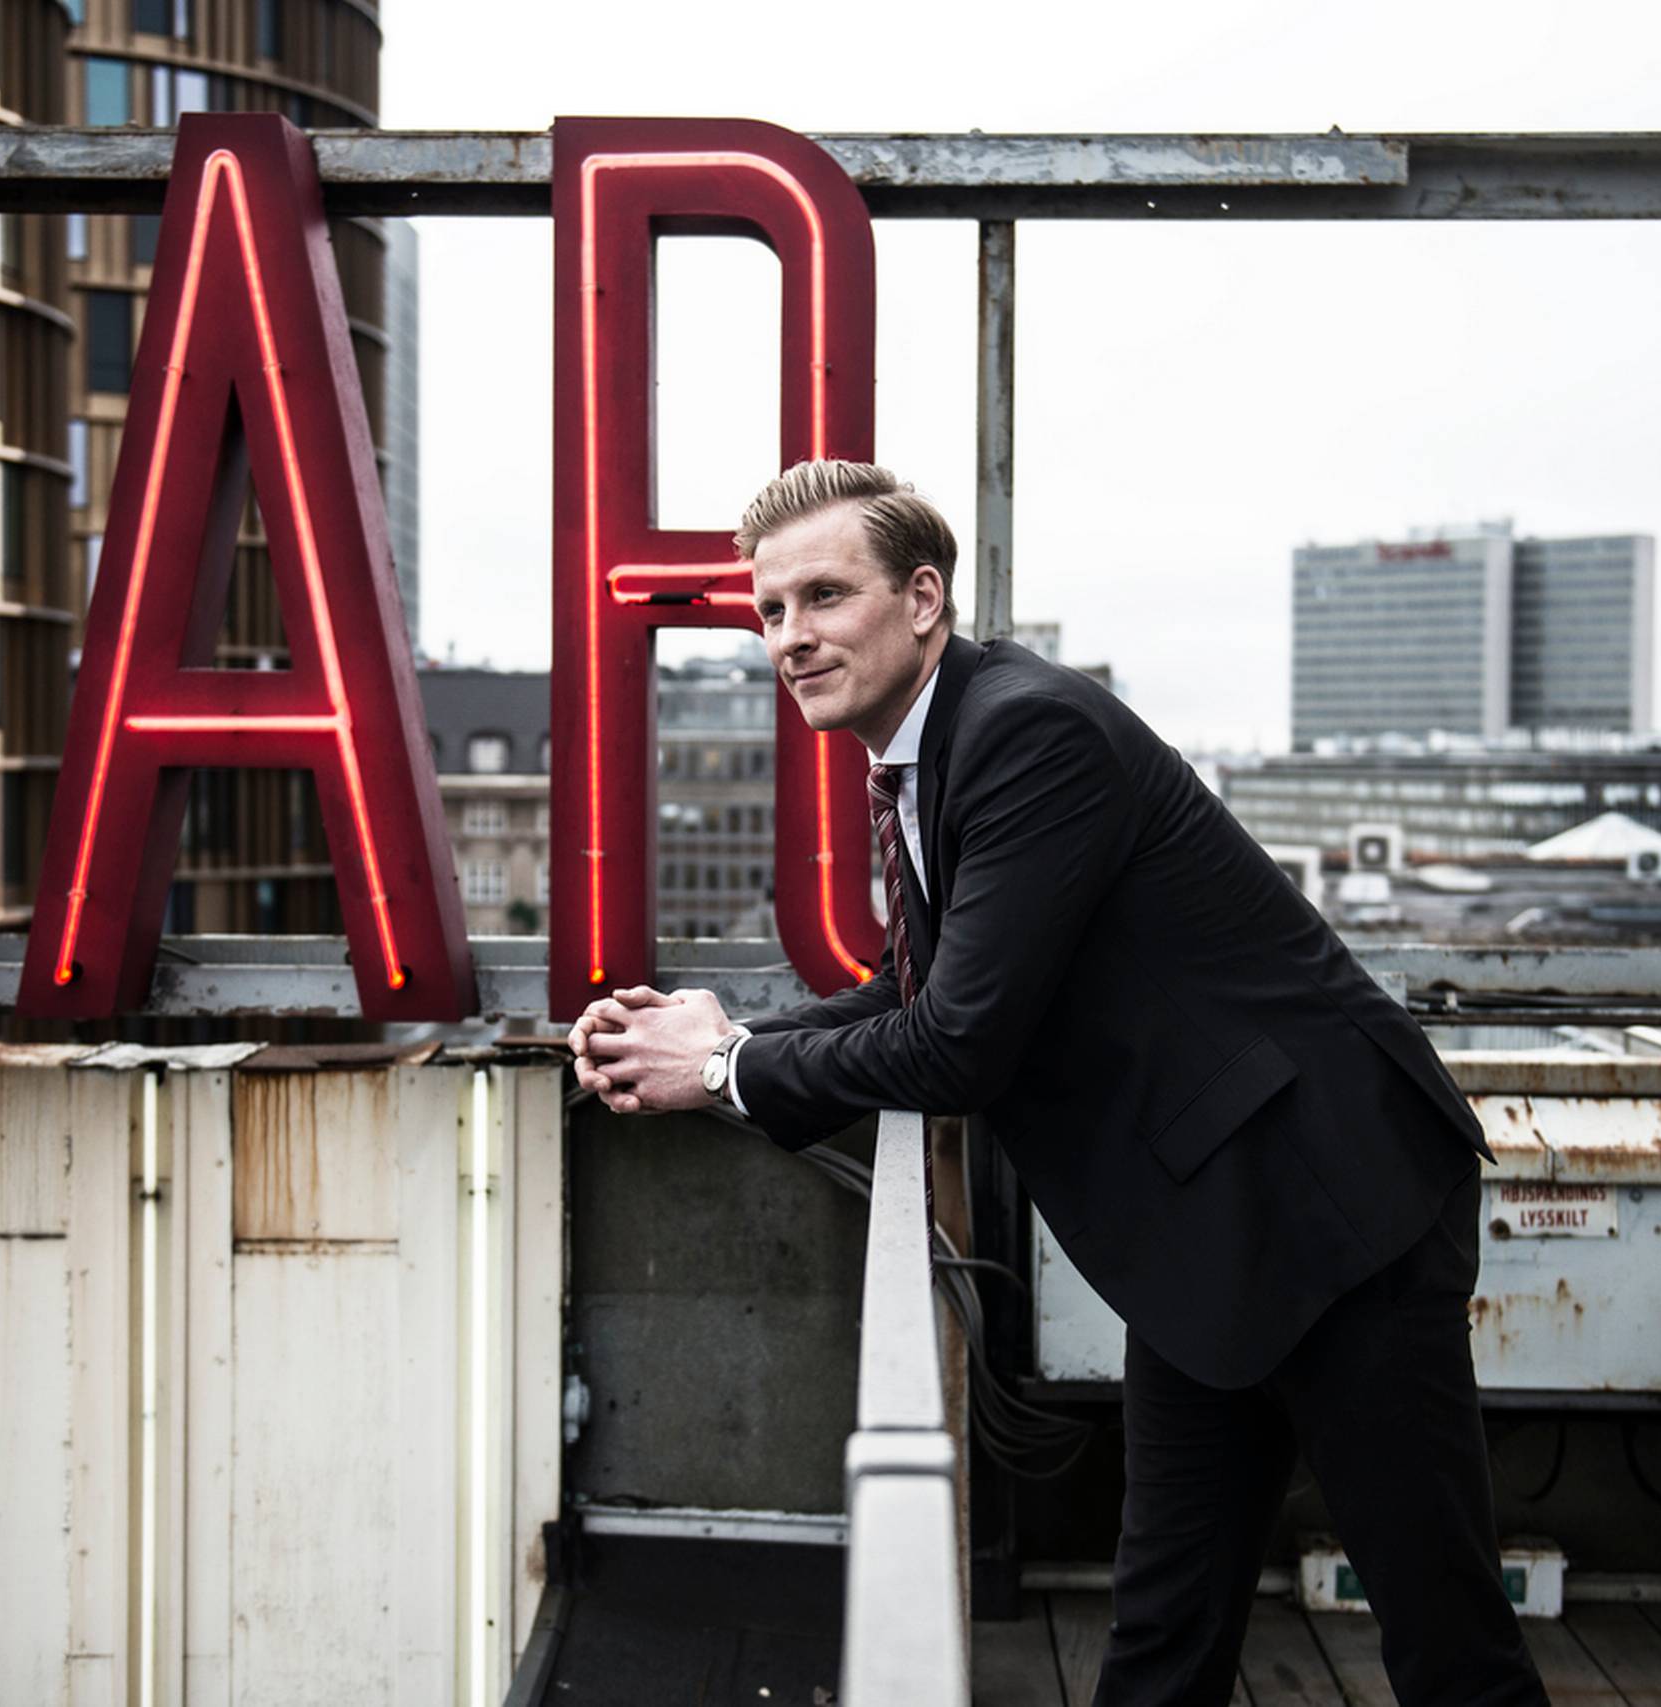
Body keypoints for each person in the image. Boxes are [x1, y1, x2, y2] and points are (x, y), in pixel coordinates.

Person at [567, 460, 1547, 1706]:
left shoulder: (1025, 733)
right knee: (1163, 1628)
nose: (791, 636)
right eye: (771, 610)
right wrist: (728, 1037)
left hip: (1331, 1208)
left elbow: (958, 1045)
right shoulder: (935, 752)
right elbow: (918, 988)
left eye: (824, 595)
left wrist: (720, 1069)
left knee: (1445, 1640)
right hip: (1208, 1231)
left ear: (923, 598)